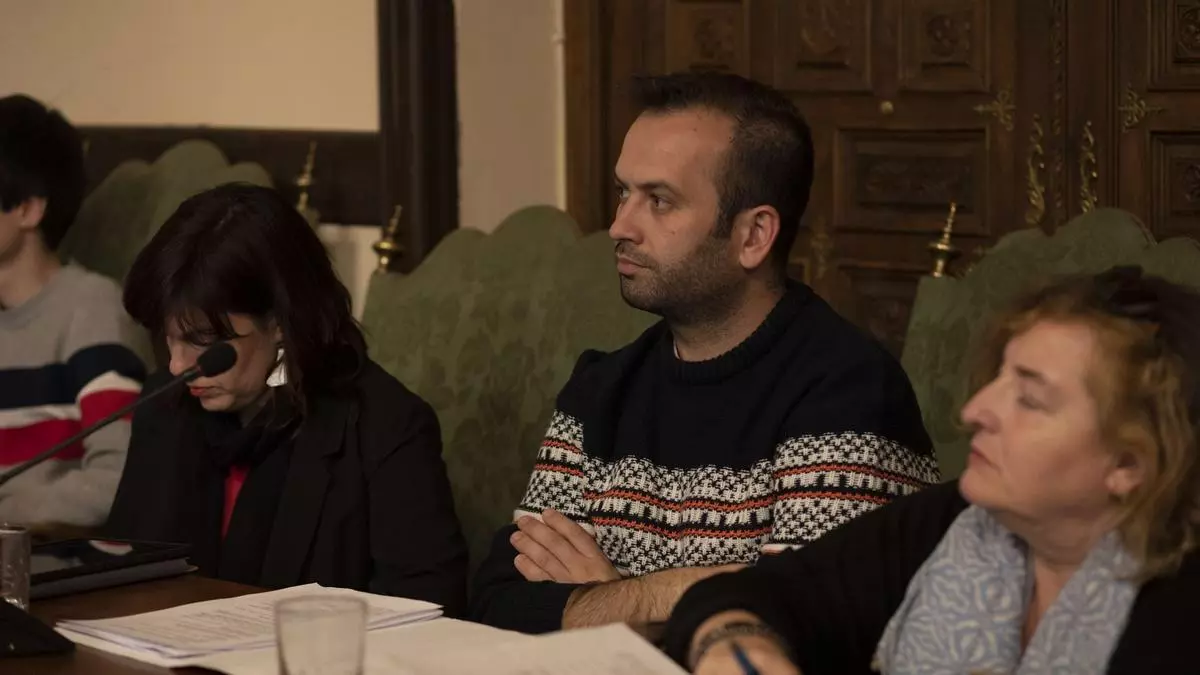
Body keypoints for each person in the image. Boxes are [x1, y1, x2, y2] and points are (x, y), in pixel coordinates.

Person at [469, 72, 939, 633]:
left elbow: (800, 634)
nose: (619, 226)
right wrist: (667, 597)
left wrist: (612, 602)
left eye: (659, 201)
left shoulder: (849, 393)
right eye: (623, 192)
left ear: (753, 236)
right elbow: (499, 603)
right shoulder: (600, 388)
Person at [663, 266, 1200, 675]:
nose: (975, 411)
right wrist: (735, 645)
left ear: (1129, 464)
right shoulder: (957, 519)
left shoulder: (1178, 619)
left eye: (1030, 400)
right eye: (998, 379)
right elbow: (750, 595)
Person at [106, 183, 468, 615]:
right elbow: (121, 579)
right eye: (168, 338)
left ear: (280, 322)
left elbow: (428, 612)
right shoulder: (164, 405)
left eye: (201, 340)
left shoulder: (386, 429)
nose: (177, 366)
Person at [0, 94, 147, 527]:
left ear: (28, 209)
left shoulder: (91, 308)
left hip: (48, 557)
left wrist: (8, 518)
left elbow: (119, 479)